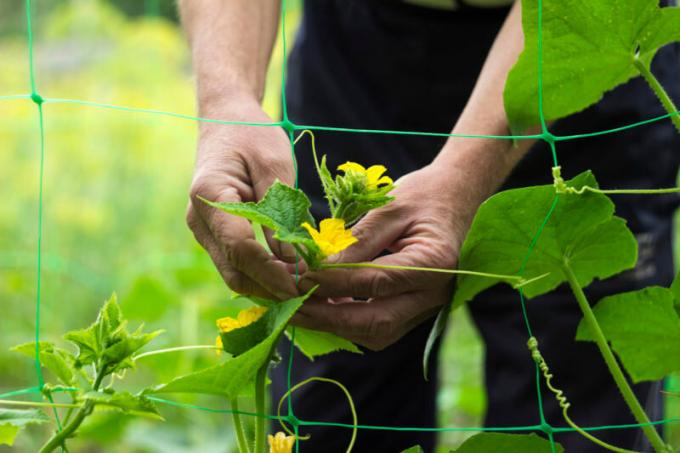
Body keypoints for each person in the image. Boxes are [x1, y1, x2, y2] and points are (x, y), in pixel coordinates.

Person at [179, 0, 680, 451]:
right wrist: (227, 97)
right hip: (359, 53)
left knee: (575, 418)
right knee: (333, 408)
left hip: (589, 47)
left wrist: (467, 173)